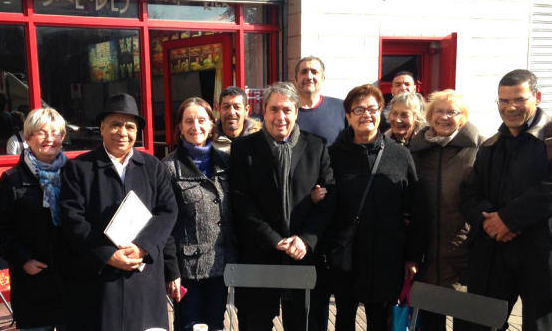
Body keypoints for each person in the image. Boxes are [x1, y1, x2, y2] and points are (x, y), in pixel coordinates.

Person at [460, 69, 552, 331]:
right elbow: (469, 194)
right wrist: (488, 219)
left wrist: (508, 219)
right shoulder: (491, 146)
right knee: (479, 324)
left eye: (519, 99)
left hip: (543, 254)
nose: (510, 108)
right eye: (503, 101)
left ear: (537, 97)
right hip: (494, 252)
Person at [59, 93, 177, 331]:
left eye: (130, 126)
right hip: (98, 280)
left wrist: (143, 246)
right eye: (115, 125)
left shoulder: (153, 166)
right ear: (102, 128)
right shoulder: (79, 168)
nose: (123, 132)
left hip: (143, 275)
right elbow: (73, 219)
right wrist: (107, 254)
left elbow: (168, 212)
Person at [230, 82, 335, 331]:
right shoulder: (243, 148)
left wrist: (306, 239)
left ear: (296, 112)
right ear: (263, 111)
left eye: (287, 110)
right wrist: (273, 239)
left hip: (302, 257)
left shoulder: (317, 147)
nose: (280, 117)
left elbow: (329, 199)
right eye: (274, 109)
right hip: (260, 254)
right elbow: (242, 201)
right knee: (255, 324)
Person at [326, 84, 425, 331]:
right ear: (347, 115)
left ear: (381, 112)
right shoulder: (332, 156)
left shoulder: (399, 155)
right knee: (345, 317)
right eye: (358, 109)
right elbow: (324, 204)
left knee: (380, 319)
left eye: (372, 108)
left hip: (387, 256)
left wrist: (412, 256)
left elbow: (416, 209)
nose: (366, 114)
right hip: (347, 254)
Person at [410, 90, 483, 331]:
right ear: (429, 116)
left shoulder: (479, 148)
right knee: (431, 320)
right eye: (438, 111)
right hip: (427, 251)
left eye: (452, 112)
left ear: (463, 117)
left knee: (465, 319)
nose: (444, 117)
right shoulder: (417, 150)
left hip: (463, 250)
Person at [162, 97, 237, 331]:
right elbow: (165, 225)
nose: (196, 126)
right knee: (188, 326)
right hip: (187, 271)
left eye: (202, 120)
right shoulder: (168, 168)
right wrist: (171, 271)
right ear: (180, 128)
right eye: (189, 121)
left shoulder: (225, 162)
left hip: (221, 264)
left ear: (212, 124)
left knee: (215, 325)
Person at [0, 108, 69, 330]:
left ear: (63, 137)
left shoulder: (75, 174)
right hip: (32, 284)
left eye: (55, 133)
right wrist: (23, 259)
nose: (49, 139)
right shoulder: (12, 180)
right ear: (27, 137)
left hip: (70, 281)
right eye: (41, 133)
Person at [294, 56, 346, 145]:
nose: (309, 77)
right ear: (296, 79)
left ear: (323, 78)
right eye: (304, 72)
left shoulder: (341, 108)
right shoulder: (285, 112)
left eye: (314, 72)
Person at [212, 86, 261, 153]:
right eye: (226, 107)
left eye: (237, 107)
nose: (231, 112)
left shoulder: (258, 140)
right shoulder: (209, 140)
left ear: (246, 110)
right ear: (219, 109)